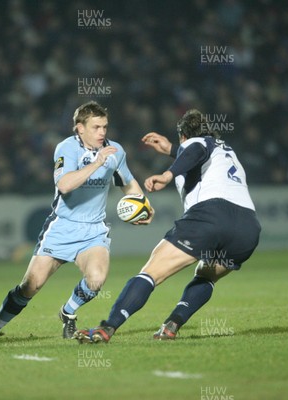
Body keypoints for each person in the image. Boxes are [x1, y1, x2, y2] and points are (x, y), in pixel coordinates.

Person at [75, 109, 261, 343]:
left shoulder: (196, 143)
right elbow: (197, 155)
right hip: (247, 228)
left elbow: (195, 149)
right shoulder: (225, 150)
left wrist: (167, 174)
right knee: (205, 277)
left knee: (149, 274)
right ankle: (172, 325)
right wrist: (172, 150)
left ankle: (107, 328)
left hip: (210, 216)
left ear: (183, 135)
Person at [0, 101, 152, 342]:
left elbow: (128, 182)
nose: (102, 132)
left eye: (105, 127)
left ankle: (68, 312)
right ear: (80, 128)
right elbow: (65, 185)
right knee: (31, 285)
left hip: (93, 230)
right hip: (61, 227)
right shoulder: (66, 148)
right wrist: (97, 163)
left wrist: (143, 204)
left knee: (96, 280)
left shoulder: (115, 151)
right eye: (96, 127)